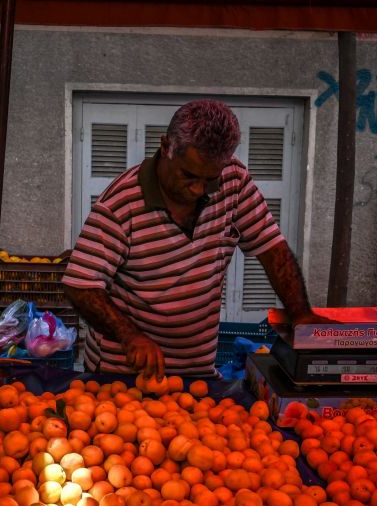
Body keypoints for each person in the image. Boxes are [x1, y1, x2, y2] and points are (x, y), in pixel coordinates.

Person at [62, 98, 329, 379]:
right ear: (166, 147)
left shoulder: (233, 180)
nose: (198, 189)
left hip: (197, 371)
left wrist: (300, 313)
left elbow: (271, 247)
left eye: (209, 179)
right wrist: (130, 336)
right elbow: (80, 285)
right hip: (123, 373)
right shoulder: (119, 206)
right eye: (188, 175)